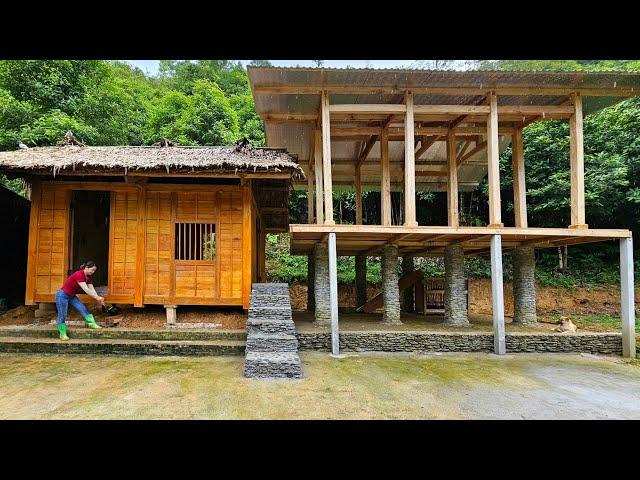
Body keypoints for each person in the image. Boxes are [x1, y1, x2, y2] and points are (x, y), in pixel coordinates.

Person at [55, 261, 105, 340]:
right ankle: (62, 333)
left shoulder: (88, 277)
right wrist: (97, 298)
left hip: (71, 296)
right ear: (86, 268)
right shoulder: (79, 274)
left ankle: (92, 324)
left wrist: (98, 297)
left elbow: (91, 289)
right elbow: (86, 289)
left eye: (94, 270)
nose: (93, 272)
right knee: (62, 314)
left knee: (82, 308)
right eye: (92, 270)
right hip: (62, 295)